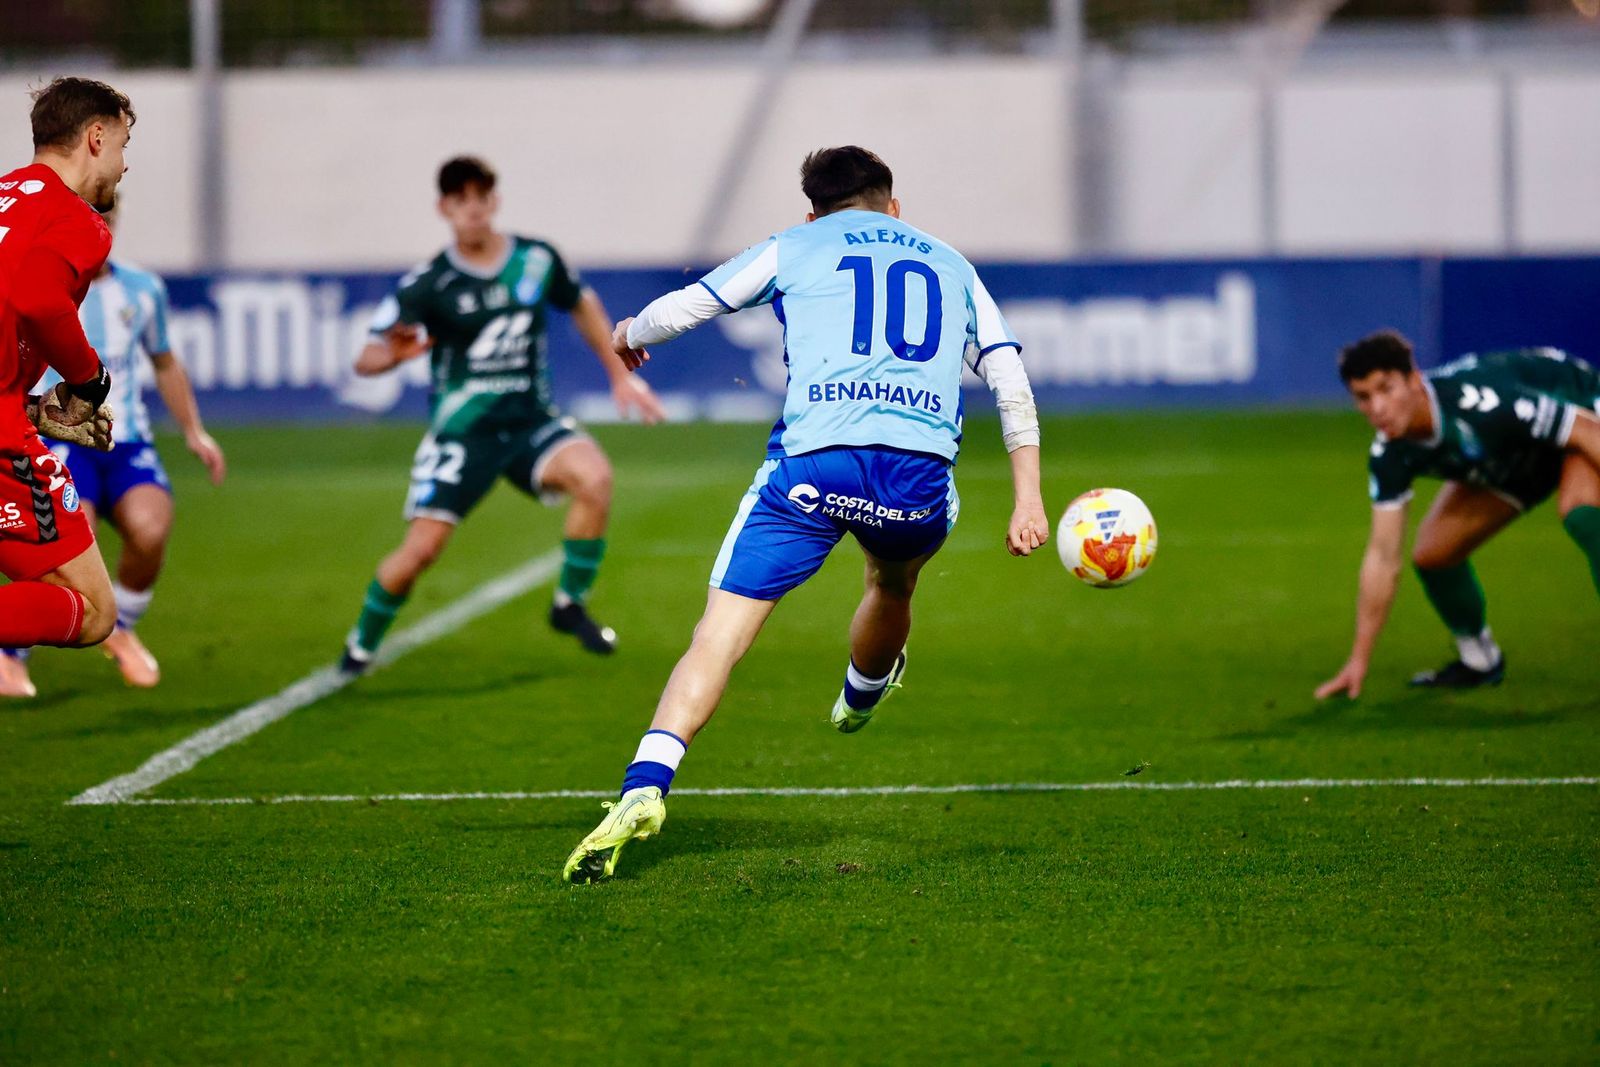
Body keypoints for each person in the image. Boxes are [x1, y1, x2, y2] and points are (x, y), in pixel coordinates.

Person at [563, 146, 1049, 884]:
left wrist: (628, 335)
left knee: (718, 634)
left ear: (813, 211)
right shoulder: (952, 262)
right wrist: (1028, 497)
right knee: (891, 583)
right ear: (893, 204)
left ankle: (645, 785)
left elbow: (692, 305)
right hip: (913, 478)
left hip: (812, 471)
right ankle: (860, 696)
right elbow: (1008, 378)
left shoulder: (795, 244)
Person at [338, 156, 666, 674]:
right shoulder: (429, 284)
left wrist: (619, 374)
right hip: (463, 435)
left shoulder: (536, 259)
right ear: (443, 208)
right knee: (420, 553)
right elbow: (366, 356)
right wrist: (396, 354)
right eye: (459, 201)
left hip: (532, 422)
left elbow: (582, 303)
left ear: (494, 201)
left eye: (480, 198)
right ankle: (360, 644)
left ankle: (567, 604)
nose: (472, 210)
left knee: (595, 476)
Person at [1, 204, 225, 696]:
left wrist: (194, 431)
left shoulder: (143, 290)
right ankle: (12, 655)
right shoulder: (42, 288)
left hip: (126, 441)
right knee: (67, 554)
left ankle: (119, 627)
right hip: (61, 441)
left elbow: (164, 362)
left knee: (151, 530)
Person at [1315, 331, 1600, 699]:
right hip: (1518, 456)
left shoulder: (1482, 404)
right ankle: (1479, 659)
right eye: (1364, 397)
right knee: (1434, 555)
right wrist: (1358, 659)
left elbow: (1582, 428)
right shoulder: (1391, 455)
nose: (1378, 407)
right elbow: (1383, 557)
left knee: (1582, 514)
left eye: (1386, 389)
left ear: (1414, 379)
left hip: (1582, 407)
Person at [0, 77, 131, 677]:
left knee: (48, 583)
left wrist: (29, 407)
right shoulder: (75, 220)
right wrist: (89, 383)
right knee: (95, 610)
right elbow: (34, 296)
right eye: (124, 146)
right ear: (95, 137)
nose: (124, 167)